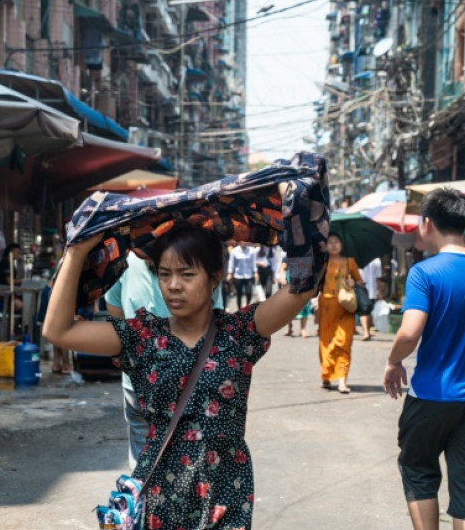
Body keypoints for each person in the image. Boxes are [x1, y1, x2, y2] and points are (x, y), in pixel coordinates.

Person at [44, 224, 318, 530]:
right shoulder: (142, 337)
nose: (174, 285)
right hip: (161, 488)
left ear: (214, 277)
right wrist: (77, 252)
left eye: (187, 274)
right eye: (164, 274)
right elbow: (57, 330)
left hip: (226, 487)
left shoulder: (239, 332)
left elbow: (305, 285)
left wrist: (297, 206)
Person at [383, 189, 465, 530]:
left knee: (419, 471)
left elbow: (409, 333)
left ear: (427, 224)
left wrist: (393, 361)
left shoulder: (425, 273)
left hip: (430, 396)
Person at [105, 251, 224, 471]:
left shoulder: (124, 261)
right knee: (190, 461)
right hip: (178, 382)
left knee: (145, 458)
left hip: (165, 383)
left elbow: (113, 307)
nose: (172, 285)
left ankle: (144, 500)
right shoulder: (194, 259)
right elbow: (214, 317)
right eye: (164, 275)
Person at [317, 233, 363, 394]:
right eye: (330, 242)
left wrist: (353, 283)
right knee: (326, 344)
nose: (334, 245)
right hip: (326, 309)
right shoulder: (322, 263)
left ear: (341, 245)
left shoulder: (350, 263)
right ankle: (327, 376)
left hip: (345, 309)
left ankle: (342, 380)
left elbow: (360, 282)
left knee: (344, 343)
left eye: (336, 242)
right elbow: (315, 285)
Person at [279, 261, 311, 338]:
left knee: (304, 305)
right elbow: (283, 267)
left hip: (305, 283)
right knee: (289, 306)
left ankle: (303, 329)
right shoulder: (291, 252)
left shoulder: (309, 253)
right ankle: (289, 327)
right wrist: (281, 277)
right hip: (291, 283)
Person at [226, 242, 258, 310]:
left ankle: (247, 306)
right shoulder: (234, 251)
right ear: (240, 242)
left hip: (248, 275)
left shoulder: (252, 251)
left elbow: (253, 262)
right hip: (238, 275)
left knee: (249, 293)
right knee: (239, 294)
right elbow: (231, 263)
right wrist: (230, 273)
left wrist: (255, 272)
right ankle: (239, 309)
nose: (244, 242)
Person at [0, 243, 24, 315]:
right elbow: (9, 281)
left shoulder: (11, 263)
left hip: (8, 291)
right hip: (2, 292)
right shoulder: (6, 263)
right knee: (19, 304)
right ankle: (3, 314)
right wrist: (22, 281)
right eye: (17, 252)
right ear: (11, 252)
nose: (19, 254)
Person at [359, 257, 382, 341]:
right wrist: (380, 292)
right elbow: (378, 278)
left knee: (365, 311)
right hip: (372, 289)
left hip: (362, 287)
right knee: (367, 310)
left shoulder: (358, 258)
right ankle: (366, 332)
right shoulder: (377, 260)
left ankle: (366, 332)